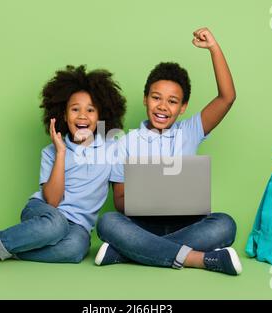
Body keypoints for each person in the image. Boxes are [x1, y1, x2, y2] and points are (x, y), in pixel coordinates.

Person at [0, 65, 126, 271]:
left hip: (78, 227)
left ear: (101, 116)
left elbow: (121, 192)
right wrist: (61, 153)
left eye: (91, 110)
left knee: (76, 250)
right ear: (64, 116)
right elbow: (52, 201)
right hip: (44, 212)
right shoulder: (51, 152)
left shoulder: (111, 150)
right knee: (56, 224)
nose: (83, 116)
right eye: (75, 109)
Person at [95, 27, 242, 276]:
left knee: (225, 224)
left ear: (183, 107)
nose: (163, 106)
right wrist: (149, 191)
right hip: (140, 226)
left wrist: (214, 48)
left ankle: (128, 253)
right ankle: (197, 258)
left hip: (187, 224)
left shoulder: (190, 131)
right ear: (145, 99)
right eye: (156, 98)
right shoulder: (124, 142)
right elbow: (119, 201)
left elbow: (227, 98)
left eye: (172, 101)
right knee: (107, 222)